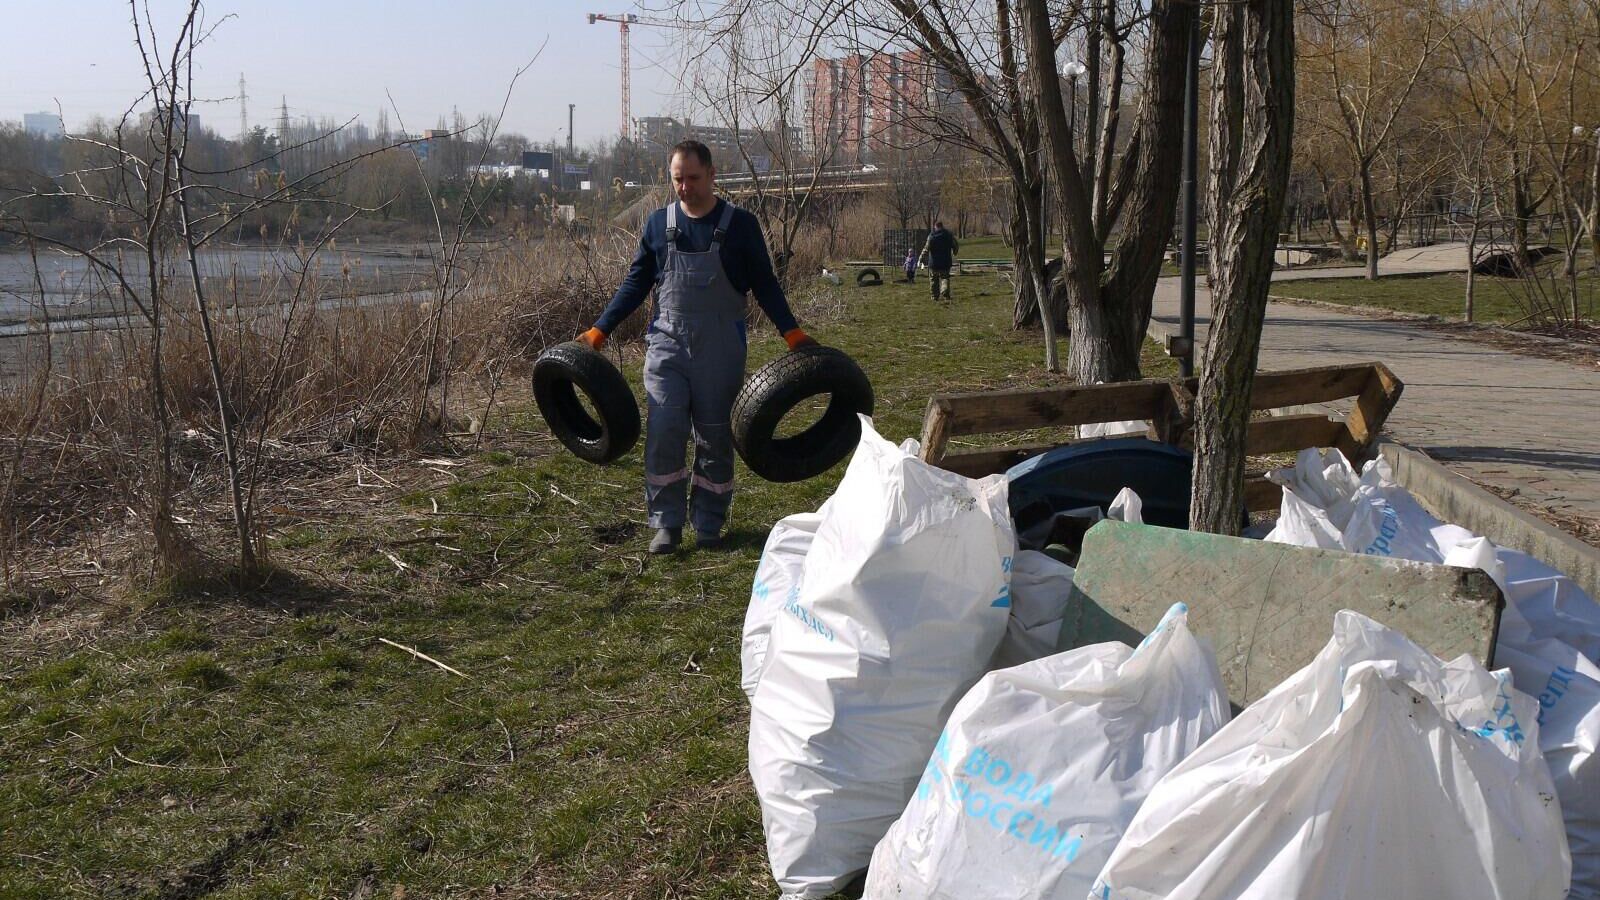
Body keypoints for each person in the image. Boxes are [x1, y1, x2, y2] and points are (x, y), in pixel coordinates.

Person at [578, 140, 817, 555]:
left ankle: (709, 522)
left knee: (715, 436)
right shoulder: (657, 225)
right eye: (677, 179)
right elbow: (636, 283)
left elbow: (764, 282)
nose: (684, 187)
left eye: (692, 178)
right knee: (665, 431)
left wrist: (791, 332)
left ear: (711, 176)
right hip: (667, 345)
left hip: (721, 347)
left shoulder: (739, 225)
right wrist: (601, 330)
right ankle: (666, 523)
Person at [918, 221, 959, 301]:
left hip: (934, 263)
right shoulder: (948, 235)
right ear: (942, 226)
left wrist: (921, 258)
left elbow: (926, 249)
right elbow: (955, 245)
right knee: (945, 278)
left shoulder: (931, 236)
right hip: (945, 262)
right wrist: (955, 252)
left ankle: (934, 296)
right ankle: (945, 292)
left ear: (935, 227)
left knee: (933, 280)